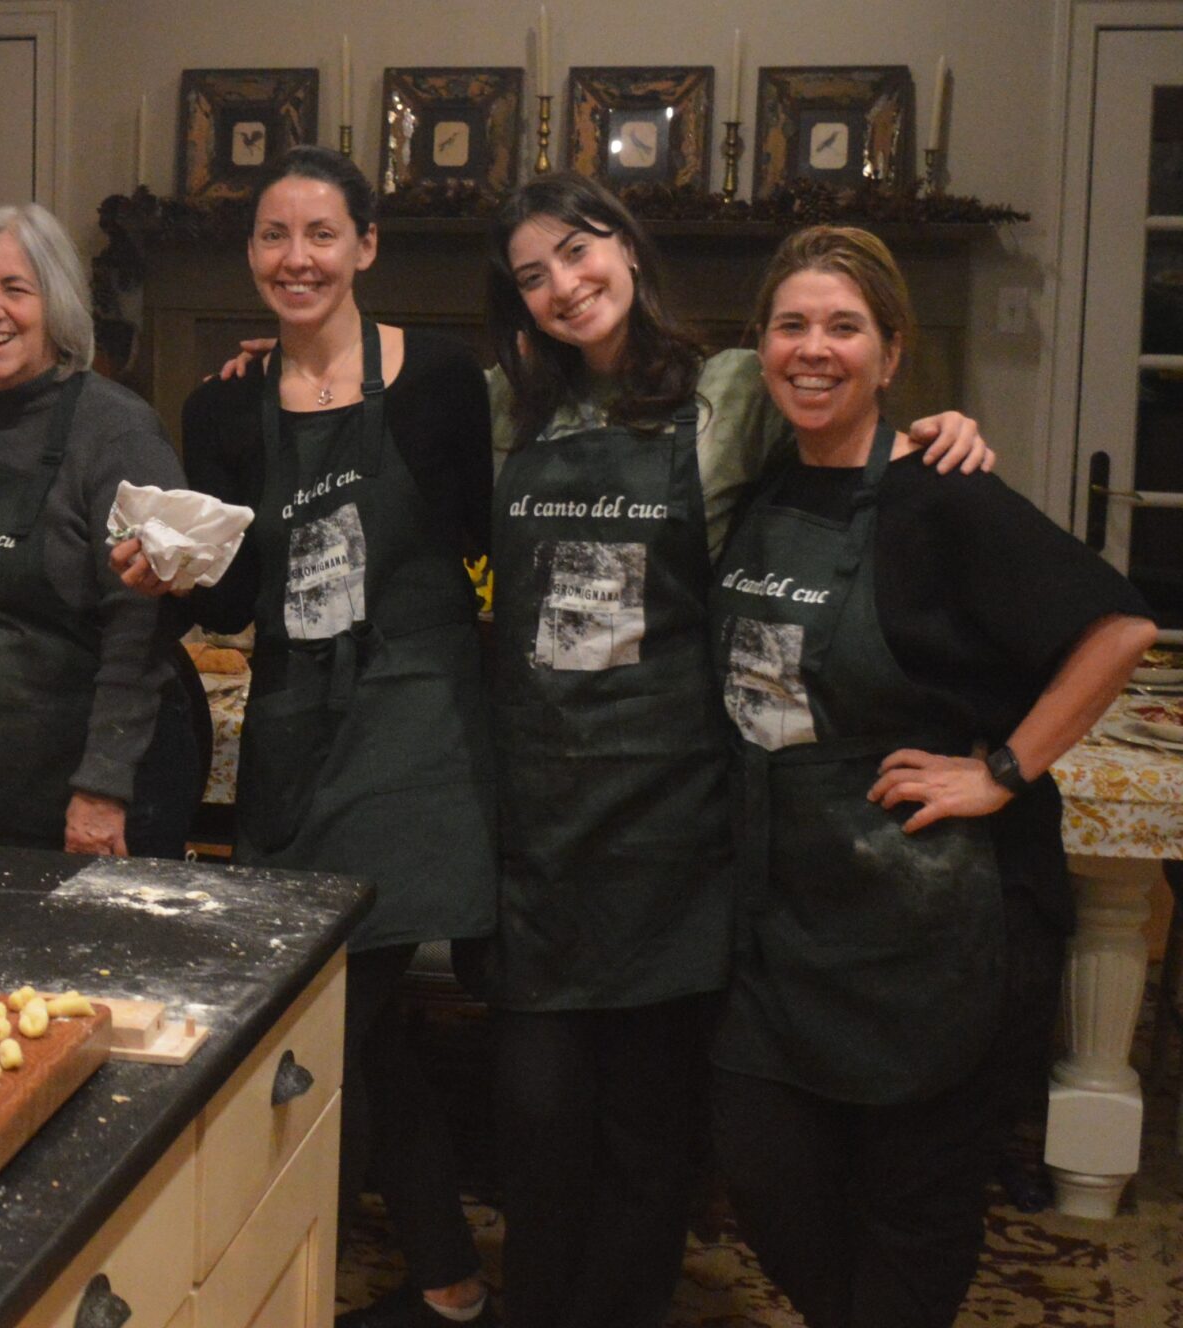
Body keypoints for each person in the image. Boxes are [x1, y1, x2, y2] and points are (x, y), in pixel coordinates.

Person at [481, 174, 990, 1328]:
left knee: (648, 1135)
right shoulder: (500, 407)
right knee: (536, 1118)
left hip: (675, 819)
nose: (564, 284)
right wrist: (280, 353)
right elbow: (372, 391)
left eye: (578, 250)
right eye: (531, 274)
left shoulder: (725, 391)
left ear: (626, 246)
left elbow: (837, 413)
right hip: (541, 824)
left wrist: (933, 431)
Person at [707, 226, 1151, 1327]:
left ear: (892, 352)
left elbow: (1119, 625)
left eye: (843, 327)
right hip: (783, 913)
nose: (815, 350)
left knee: (912, 1206)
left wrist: (1000, 768)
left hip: (934, 927)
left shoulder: (940, 492)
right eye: (792, 325)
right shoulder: (756, 487)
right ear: (760, 347)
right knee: (763, 1171)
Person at [117, 146, 501, 1326]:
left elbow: (490, 544)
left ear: (365, 246)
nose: (298, 257)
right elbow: (229, 603)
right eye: (274, 236)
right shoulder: (224, 403)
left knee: (328, 1005)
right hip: (293, 727)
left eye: (322, 234)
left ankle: (250, 1260)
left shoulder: (441, 382)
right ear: (252, 255)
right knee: (352, 1019)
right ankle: (439, 1273)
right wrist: (161, 577)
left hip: (413, 715)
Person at [0, 203, 200, 858]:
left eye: (16, 289)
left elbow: (140, 629)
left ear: (59, 303)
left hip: (78, 797)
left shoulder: (117, 432)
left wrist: (101, 789)